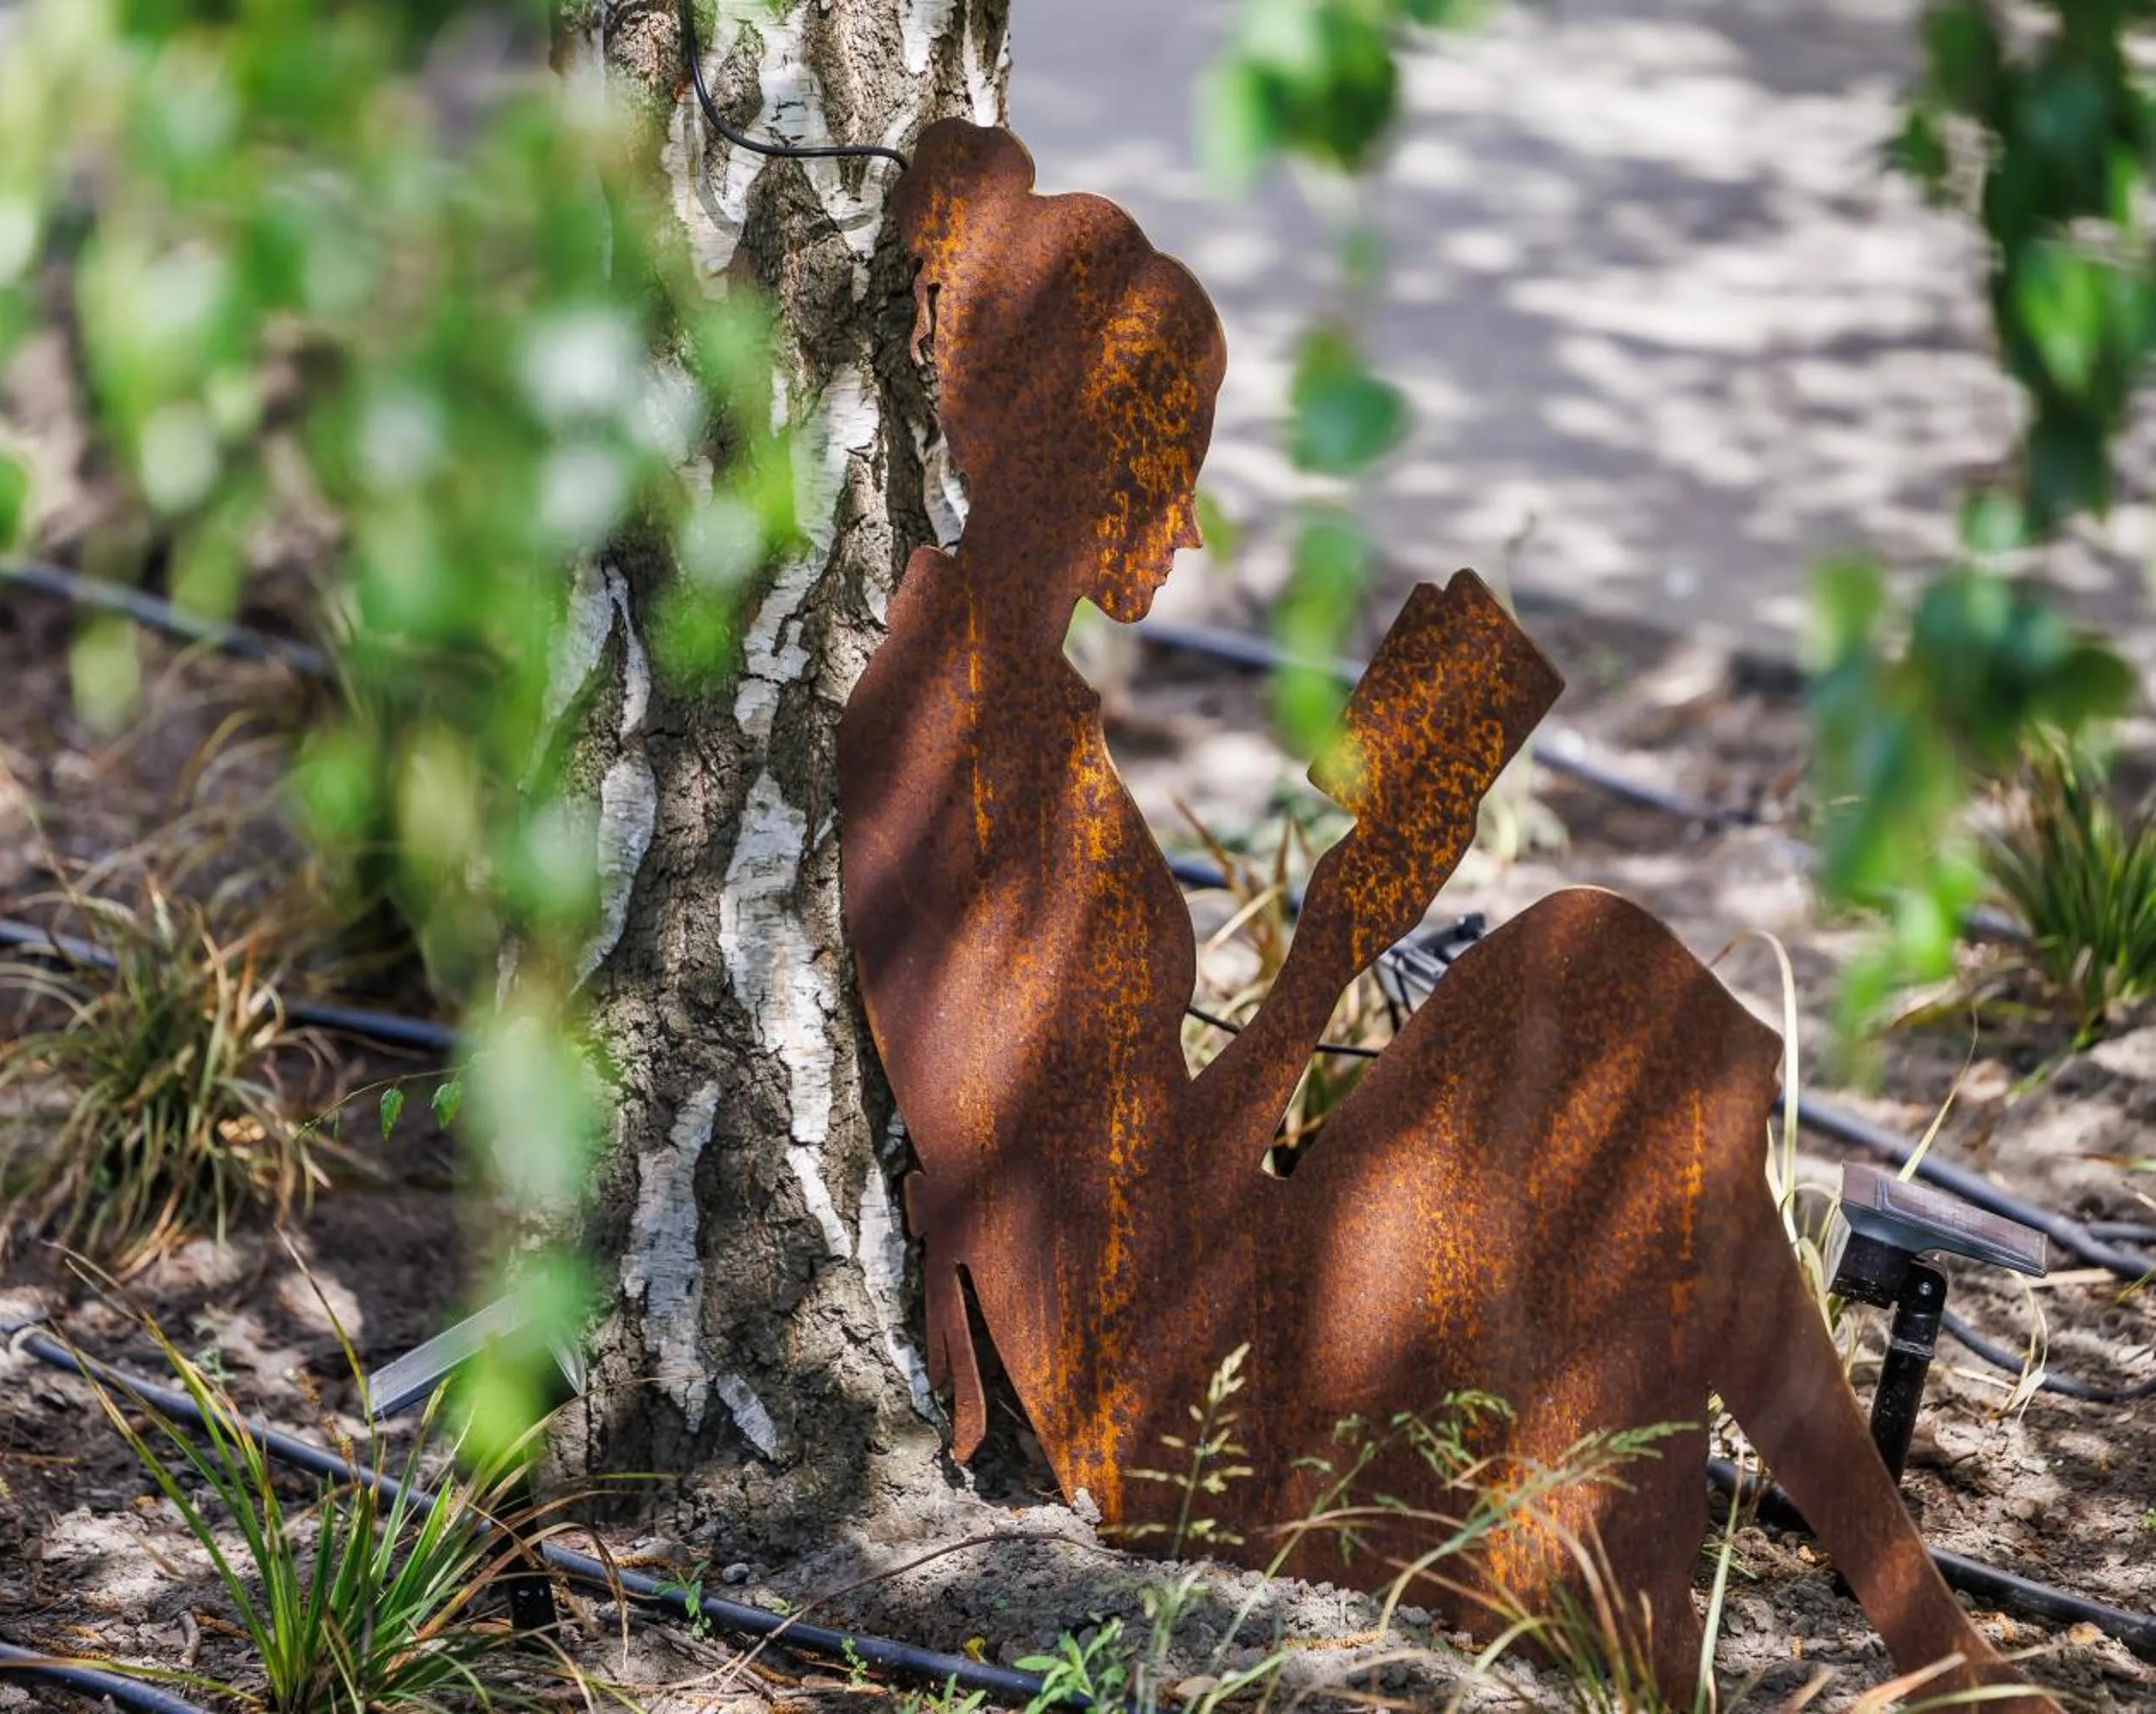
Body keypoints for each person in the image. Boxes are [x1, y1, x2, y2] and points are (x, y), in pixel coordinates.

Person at [837, 116, 2042, 1709]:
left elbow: (1139, 1173)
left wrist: (1356, 902)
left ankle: (1906, 1643)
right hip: (1171, 1411)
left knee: (1605, 1014)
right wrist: (1332, 945)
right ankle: (1826, 1654)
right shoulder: (948, 746)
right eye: (1174, 469)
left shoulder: (1016, 709)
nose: (1189, 525)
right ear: (1088, 454)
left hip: (1208, 1297)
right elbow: (1114, 1254)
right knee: (1598, 1003)